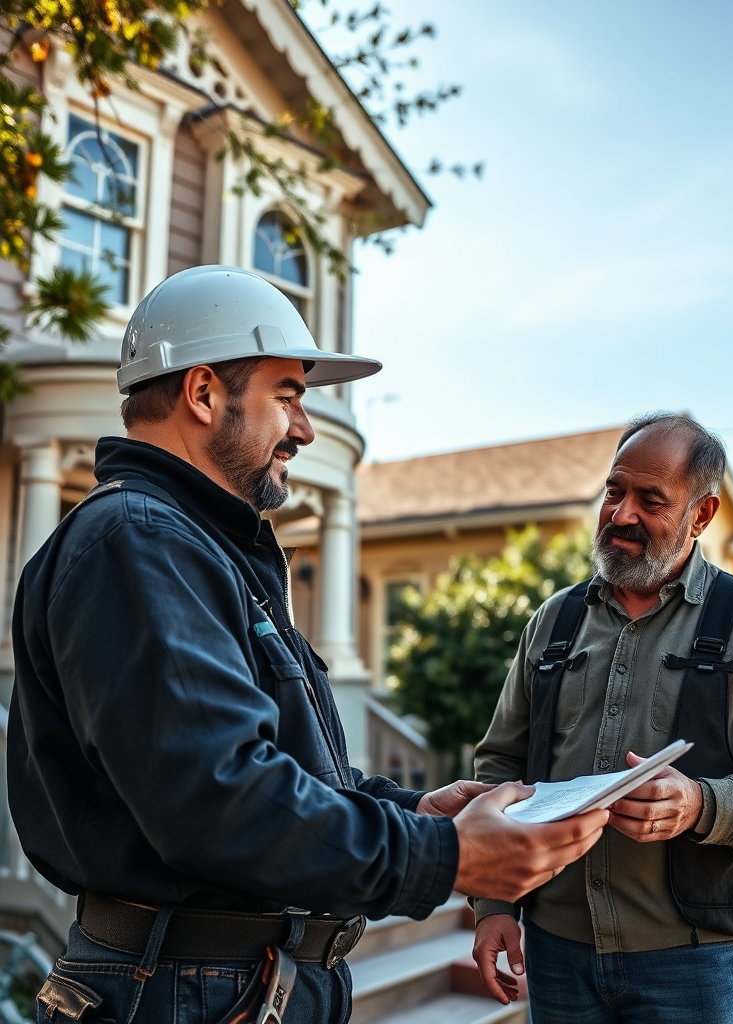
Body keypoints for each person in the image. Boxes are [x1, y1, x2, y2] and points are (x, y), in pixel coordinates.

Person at [7, 265, 608, 1024]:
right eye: (286, 397)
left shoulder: (201, 548)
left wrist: (415, 810)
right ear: (202, 393)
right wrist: (448, 857)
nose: (305, 428)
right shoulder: (140, 542)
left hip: (227, 982)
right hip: (181, 988)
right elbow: (220, 798)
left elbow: (270, 765)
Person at [472, 413, 733, 1024]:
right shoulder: (552, 623)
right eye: (614, 491)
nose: (621, 515)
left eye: (651, 500)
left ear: (702, 516)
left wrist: (704, 804)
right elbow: (501, 766)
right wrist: (493, 903)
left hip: (693, 966)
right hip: (555, 951)